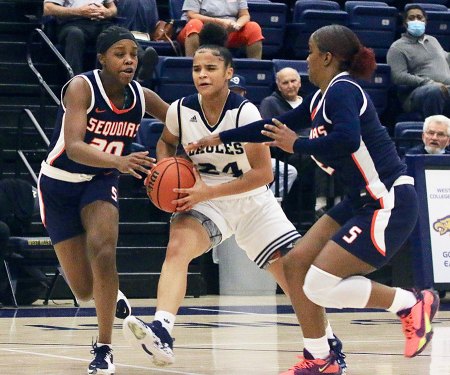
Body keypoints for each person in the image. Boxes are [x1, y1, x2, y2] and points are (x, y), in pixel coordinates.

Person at [187, 25, 440, 375]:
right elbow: (271, 127)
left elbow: (348, 140)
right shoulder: (321, 97)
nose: (305, 59)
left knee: (319, 285)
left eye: (309, 51)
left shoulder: (343, 89)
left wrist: (298, 145)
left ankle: (411, 302)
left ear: (327, 57)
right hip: (360, 200)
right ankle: (320, 358)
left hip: (388, 200)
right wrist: (218, 137)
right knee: (293, 266)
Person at [121, 43, 346, 371]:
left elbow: (263, 174)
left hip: (252, 203)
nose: (202, 75)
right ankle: (162, 331)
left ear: (228, 74)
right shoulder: (180, 111)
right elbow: (167, 141)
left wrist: (205, 194)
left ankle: (326, 344)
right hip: (205, 199)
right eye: (197, 69)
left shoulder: (245, 112)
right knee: (177, 247)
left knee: (295, 278)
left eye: (210, 69)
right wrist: (167, 166)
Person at [37, 26, 169, 374]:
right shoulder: (82, 87)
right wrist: (120, 161)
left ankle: (104, 347)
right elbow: (76, 146)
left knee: (104, 249)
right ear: (102, 58)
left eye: (133, 54)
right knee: (82, 291)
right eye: (119, 53)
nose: (128, 59)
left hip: (99, 180)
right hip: (58, 185)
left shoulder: (141, 96)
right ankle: (118, 302)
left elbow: (179, 121)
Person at [43, 0, 159, 82]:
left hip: (99, 22)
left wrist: (106, 12)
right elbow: (47, 8)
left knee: (118, 32)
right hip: (72, 23)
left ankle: (143, 59)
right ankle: (74, 83)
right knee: (75, 34)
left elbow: (113, 8)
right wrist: (79, 11)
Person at [228, 73, 298, 198]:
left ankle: (268, 201)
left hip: (252, 157)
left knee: (289, 171)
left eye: (239, 92)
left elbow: (260, 139)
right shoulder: (218, 110)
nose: (235, 95)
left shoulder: (250, 111)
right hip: (228, 158)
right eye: (232, 91)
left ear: (244, 93)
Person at [387, 5, 450, 118]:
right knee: (435, 91)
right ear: (405, 23)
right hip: (416, 93)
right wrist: (427, 82)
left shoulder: (433, 40)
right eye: (411, 18)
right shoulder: (397, 47)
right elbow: (398, 76)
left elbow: (445, 58)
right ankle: (434, 128)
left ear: (425, 21)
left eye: (419, 17)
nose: (416, 20)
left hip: (446, 87)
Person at [177, 0, 264, 58]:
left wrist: (237, 25)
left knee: (254, 27)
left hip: (228, 30)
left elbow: (244, 15)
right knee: (194, 23)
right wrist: (219, 22)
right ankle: (192, 69)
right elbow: (192, 15)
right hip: (203, 29)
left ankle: (255, 72)